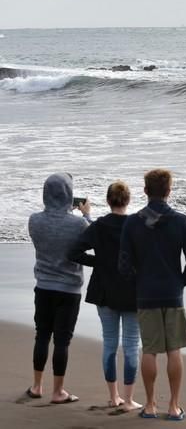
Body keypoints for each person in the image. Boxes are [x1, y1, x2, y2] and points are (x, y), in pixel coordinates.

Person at [118, 169, 186, 421]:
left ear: (145, 191)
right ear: (168, 191)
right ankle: (174, 406)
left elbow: (123, 263)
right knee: (174, 349)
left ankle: (151, 404)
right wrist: (183, 280)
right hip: (172, 292)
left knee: (150, 350)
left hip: (146, 292)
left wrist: (137, 281)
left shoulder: (132, 222)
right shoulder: (180, 220)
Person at [68, 181, 142, 411]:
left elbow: (74, 252)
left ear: (109, 201)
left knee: (110, 344)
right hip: (132, 292)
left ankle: (114, 397)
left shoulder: (99, 226)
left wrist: (100, 262)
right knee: (131, 345)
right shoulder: (137, 225)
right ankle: (129, 400)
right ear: (128, 200)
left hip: (104, 291)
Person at [27, 173, 91, 404]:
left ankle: (36, 385)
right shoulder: (79, 224)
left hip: (43, 286)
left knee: (42, 335)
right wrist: (87, 215)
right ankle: (58, 391)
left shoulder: (34, 220)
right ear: (69, 194)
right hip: (69, 289)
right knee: (62, 341)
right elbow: (95, 239)